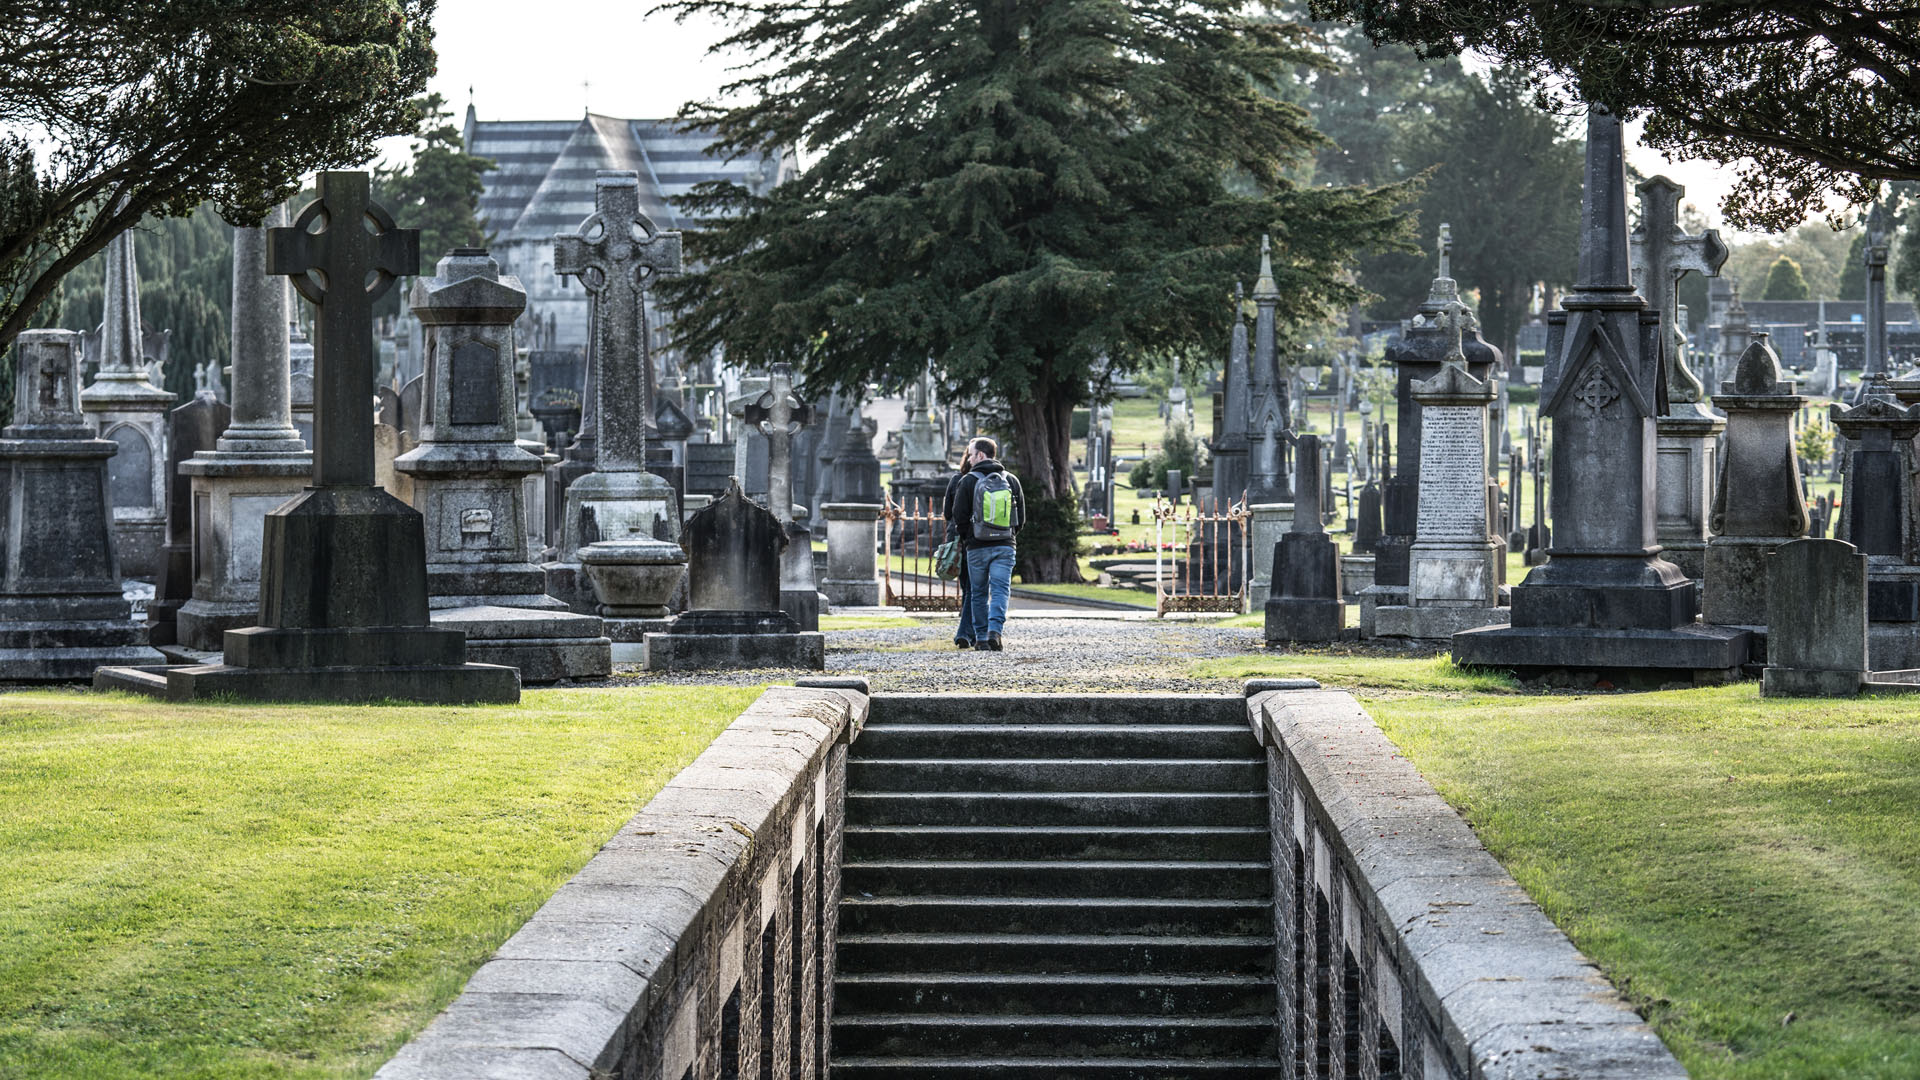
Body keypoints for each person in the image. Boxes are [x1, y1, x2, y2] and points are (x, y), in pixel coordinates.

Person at [949, 436, 1025, 650]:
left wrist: (969, 537)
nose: (970, 459)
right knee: (1001, 590)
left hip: (976, 546)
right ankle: (995, 631)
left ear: (981, 455)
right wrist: (1008, 536)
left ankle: (981, 638)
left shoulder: (968, 481)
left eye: (971, 455)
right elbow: (1021, 517)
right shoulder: (1011, 480)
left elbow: (958, 516)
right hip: (1005, 545)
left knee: (979, 592)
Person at [942, 452, 975, 648]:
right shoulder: (985, 480)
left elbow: (947, 513)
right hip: (976, 540)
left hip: (956, 540)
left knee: (968, 589)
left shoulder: (957, 479)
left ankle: (968, 631)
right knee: (973, 589)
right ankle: (965, 632)